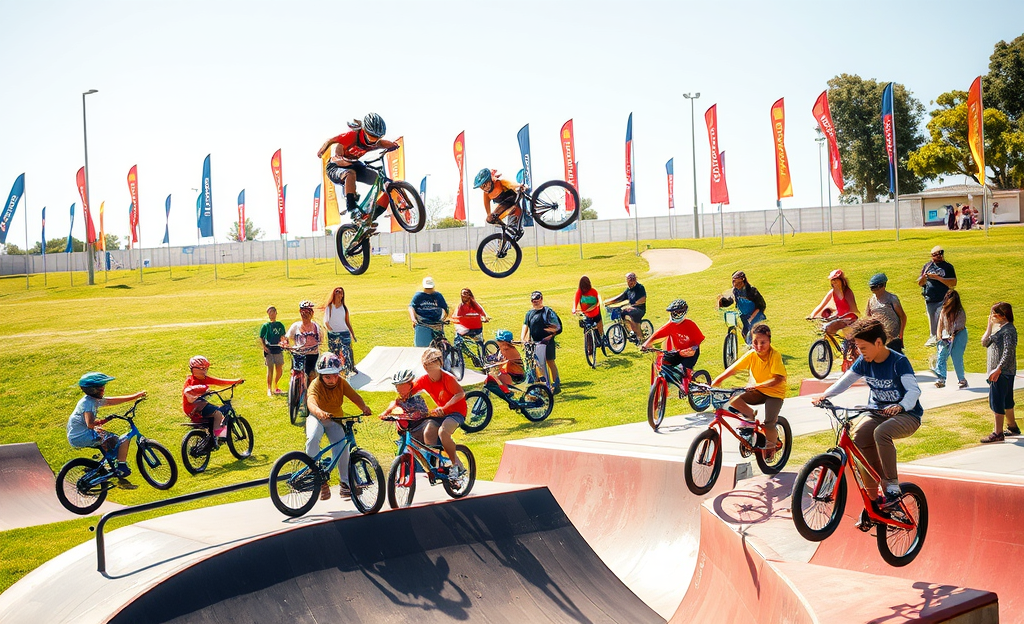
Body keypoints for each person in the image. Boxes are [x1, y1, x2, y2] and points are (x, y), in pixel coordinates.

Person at [812, 318, 922, 518]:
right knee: (860, 437)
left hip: (907, 415)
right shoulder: (864, 362)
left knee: (881, 433)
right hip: (879, 413)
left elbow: (914, 392)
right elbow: (845, 382)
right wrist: (825, 395)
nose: (860, 352)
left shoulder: (898, 362)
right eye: (857, 347)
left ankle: (892, 488)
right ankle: (874, 500)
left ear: (878, 343)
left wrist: (900, 406)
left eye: (863, 347)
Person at [305, 353, 372, 500]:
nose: (332, 380)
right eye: (327, 377)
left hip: (334, 420)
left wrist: (364, 407)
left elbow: (354, 396)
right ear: (320, 375)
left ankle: (345, 484)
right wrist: (319, 412)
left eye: (335, 375)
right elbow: (311, 402)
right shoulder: (315, 384)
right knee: (312, 439)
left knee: (343, 447)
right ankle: (317, 474)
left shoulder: (341, 383)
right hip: (317, 417)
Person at [712, 323, 786, 453]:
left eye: (763, 342)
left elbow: (778, 379)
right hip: (757, 391)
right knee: (734, 398)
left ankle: (772, 447)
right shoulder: (752, 354)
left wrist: (757, 385)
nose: (758, 346)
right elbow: (733, 368)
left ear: (769, 341)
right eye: (755, 342)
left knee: (768, 424)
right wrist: (717, 380)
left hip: (775, 393)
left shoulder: (775, 355)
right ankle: (750, 416)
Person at [67, 373, 146, 489]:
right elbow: (90, 424)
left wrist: (136, 396)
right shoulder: (88, 403)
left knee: (111, 441)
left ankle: (104, 468)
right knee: (119, 439)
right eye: (101, 388)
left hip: (80, 434)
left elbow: (111, 401)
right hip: (81, 436)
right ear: (93, 390)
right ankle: (121, 467)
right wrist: (103, 421)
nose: (103, 389)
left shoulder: (92, 399)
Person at [316, 112, 400, 222]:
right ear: (365, 131)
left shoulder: (376, 143)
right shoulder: (351, 137)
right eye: (371, 136)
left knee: (385, 183)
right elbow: (331, 140)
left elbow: (385, 144)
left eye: (377, 138)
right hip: (335, 167)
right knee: (350, 173)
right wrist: (322, 149)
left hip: (355, 164)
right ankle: (352, 208)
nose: (373, 140)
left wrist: (394, 145)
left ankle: (369, 219)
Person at [407, 348, 468, 479]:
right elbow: (409, 392)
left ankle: (457, 464)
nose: (430, 372)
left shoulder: (448, 379)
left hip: (456, 413)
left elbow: (460, 393)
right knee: (428, 431)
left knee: (443, 432)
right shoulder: (424, 380)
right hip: (440, 413)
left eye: (432, 368)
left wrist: (445, 407)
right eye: (427, 368)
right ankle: (436, 465)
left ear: (439, 365)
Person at [980, 302, 1018, 443]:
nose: (991, 317)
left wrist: (998, 369)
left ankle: (998, 432)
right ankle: (1012, 426)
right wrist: (989, 327)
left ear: (1002, 316)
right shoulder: (1000, 329)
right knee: (1007, 400)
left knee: (997, 401)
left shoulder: (1008, 330)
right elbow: (984, 342)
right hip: (1001, 371)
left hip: (1002, 372)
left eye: (993, 314)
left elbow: (1009, 351)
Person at [182, 356, 244, 440]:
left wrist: (235, 381)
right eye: (202, 369)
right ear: (194, 370)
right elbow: (189, 392)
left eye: (205, 369)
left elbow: (219, 381)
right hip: (194, 407)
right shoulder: (192, 381)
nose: (204, 371)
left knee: (213, 412)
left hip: (198, 406)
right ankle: (219, 436)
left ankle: (213, 435)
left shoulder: (202, 378)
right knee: (218, 413)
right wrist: (205, 389)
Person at [641, 299, 705, 371]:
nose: (675, 314)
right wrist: (646, 344)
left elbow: (698, 340)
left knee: (685, 371)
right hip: (678, 352)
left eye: (678, 312)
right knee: (664, 364)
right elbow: (658, 334)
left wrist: (692, 349)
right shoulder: (671, 325)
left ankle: (688, 380)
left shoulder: (690, 325)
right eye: (674, 312)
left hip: (690, 354)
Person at [521, 291, 562, 394]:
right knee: (538, 364)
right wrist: (523, 339)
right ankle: (543, 386)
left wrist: (548, 337)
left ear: (541, 299)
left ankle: (556, 384)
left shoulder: (548, 312)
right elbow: (525, 325)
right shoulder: (529, 313)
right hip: (535, 344)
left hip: (547, 343)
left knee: (550, 362)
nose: (535, 303)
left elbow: (557, 327)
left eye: (537, 301)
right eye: (533, 301)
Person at [918, 246, 957, 346]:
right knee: (932, 319)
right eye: (936, 255)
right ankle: (933, 337)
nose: (939, 256)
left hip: (943, 298)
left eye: (941, 254)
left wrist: (937, 278)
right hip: (930, 298)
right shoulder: (927, 266)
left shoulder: (948, 267)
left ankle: (943, 337)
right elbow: (920, 283)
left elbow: (953, 282)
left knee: (942, 318)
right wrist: (925, 277)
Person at [717, 270, 767, 345]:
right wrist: (722, 302)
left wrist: (752, 317)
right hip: (744, 315)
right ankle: (751, 347)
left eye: (736, 281)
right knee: (745, 332)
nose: (734, 283)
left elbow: (761, 305)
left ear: (742, 280)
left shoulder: (752, 291)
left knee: (751, 331)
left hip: (755, 315)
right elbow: (731, 300)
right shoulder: (735, 291)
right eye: (733, 281)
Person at [864, 273, 907, 354]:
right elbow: (868, 318)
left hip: (893, 338)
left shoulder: (892, 299)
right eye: (872, 287)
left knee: (896, 358)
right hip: (878, 337)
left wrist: (901, 333)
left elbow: (902, 317)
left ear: (883, 285)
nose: (874, 289)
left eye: (876, 287)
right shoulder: (870, 301)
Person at [934, 290, 968, 389]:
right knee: (941, 355)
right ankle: (941, 378)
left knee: (956, 356)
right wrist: (939, 336)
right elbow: (940, 324)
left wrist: (952, 336)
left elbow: (959, 326)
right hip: (946, 335)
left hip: (959, 335)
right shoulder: (943, 310)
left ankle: (962, 380)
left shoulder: (960, 312)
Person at [809, 269, 860, 336]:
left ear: (841, 280)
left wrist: (838, 317)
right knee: (826, 329)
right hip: (840, 319)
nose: (834, 282)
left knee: (831, 329)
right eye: (832, 280)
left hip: (850, 319)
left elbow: (853, 309)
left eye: (836, 280)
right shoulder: (832, 292)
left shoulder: (848, 292)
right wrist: (812, 315)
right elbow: (821, 305)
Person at [284, 300, 322, 387]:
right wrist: (286, 345)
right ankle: (294, 389)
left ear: (312, 313)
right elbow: (287, 337)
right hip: (298, 353)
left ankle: (311, 392)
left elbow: (320, 340)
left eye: (308, 312)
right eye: (303, 312)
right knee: (296, 371)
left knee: (311, 375)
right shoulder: (296, 326)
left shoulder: (316, 327)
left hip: (312, 354)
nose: (305, 315)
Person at [605, 272, 647, 342]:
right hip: (631, 309)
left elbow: (643, 299)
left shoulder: (640, 288)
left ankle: (641, 339)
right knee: (622, 314)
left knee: (632, 318)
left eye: (630, 282)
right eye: (628, 282)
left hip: (639, 309)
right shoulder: (628, 290)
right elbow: (620, 298)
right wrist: (607, 302)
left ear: (634, 281)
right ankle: (631, 332)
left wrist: (633, 305)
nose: (629, 284)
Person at [321, 287, 355, 371]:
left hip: (344, 333)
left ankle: (350, 368)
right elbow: (326, 321)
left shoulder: (344, 308)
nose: (339, 293)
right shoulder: (330, 307)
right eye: (337, 291)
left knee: (347, 351)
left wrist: (352, 334)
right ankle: (335, 369)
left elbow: (347, 322)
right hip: (333, 334)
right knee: (334, 353)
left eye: (341, 292)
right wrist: (330, 329)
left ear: (343, 295)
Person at [409, 277, 449, 347]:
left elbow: (445, 308)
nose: (428, 290)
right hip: (422, 324)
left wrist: (443, 319)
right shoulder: (418, 296)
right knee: (422, 347)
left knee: (437, 346)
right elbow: (411, 307)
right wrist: (413, 319)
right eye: (427, 288)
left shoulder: (438, 296)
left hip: (436, 324)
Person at [259, 306, 286, 396]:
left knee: (279, 369)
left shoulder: (280, 325)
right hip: (269, 350)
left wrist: (284, 343)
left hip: (278, 349)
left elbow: (283, 336)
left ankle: (276, 385)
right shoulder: (266, 326)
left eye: (273, 312)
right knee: (270, 369)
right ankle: (269, 389)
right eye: (270, 312)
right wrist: (264, 347)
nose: (272, 314)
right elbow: (261, 337)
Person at [573, 276, 604, 345]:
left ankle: (602, 338)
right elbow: (575, 301)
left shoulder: (593, 291)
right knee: (587, 329)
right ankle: (589, 346)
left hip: (595, 312)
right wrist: (574, 309)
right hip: (587, 314)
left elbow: (598, 302)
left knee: (599, 324)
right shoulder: (579, 292)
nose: (584, 289)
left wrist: (594, 307)